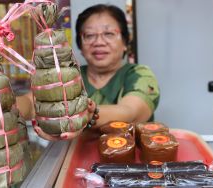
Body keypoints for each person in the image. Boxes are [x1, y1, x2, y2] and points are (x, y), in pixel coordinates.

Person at [17, 4, 160, 140]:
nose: (98, 42)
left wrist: (88, 116)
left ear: (125, 42)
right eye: (89, 35)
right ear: (80, 45)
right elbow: (31, 104)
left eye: (109, 33)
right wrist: (6, 107)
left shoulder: (139, 75)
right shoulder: (70, 76)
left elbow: (130, 112)